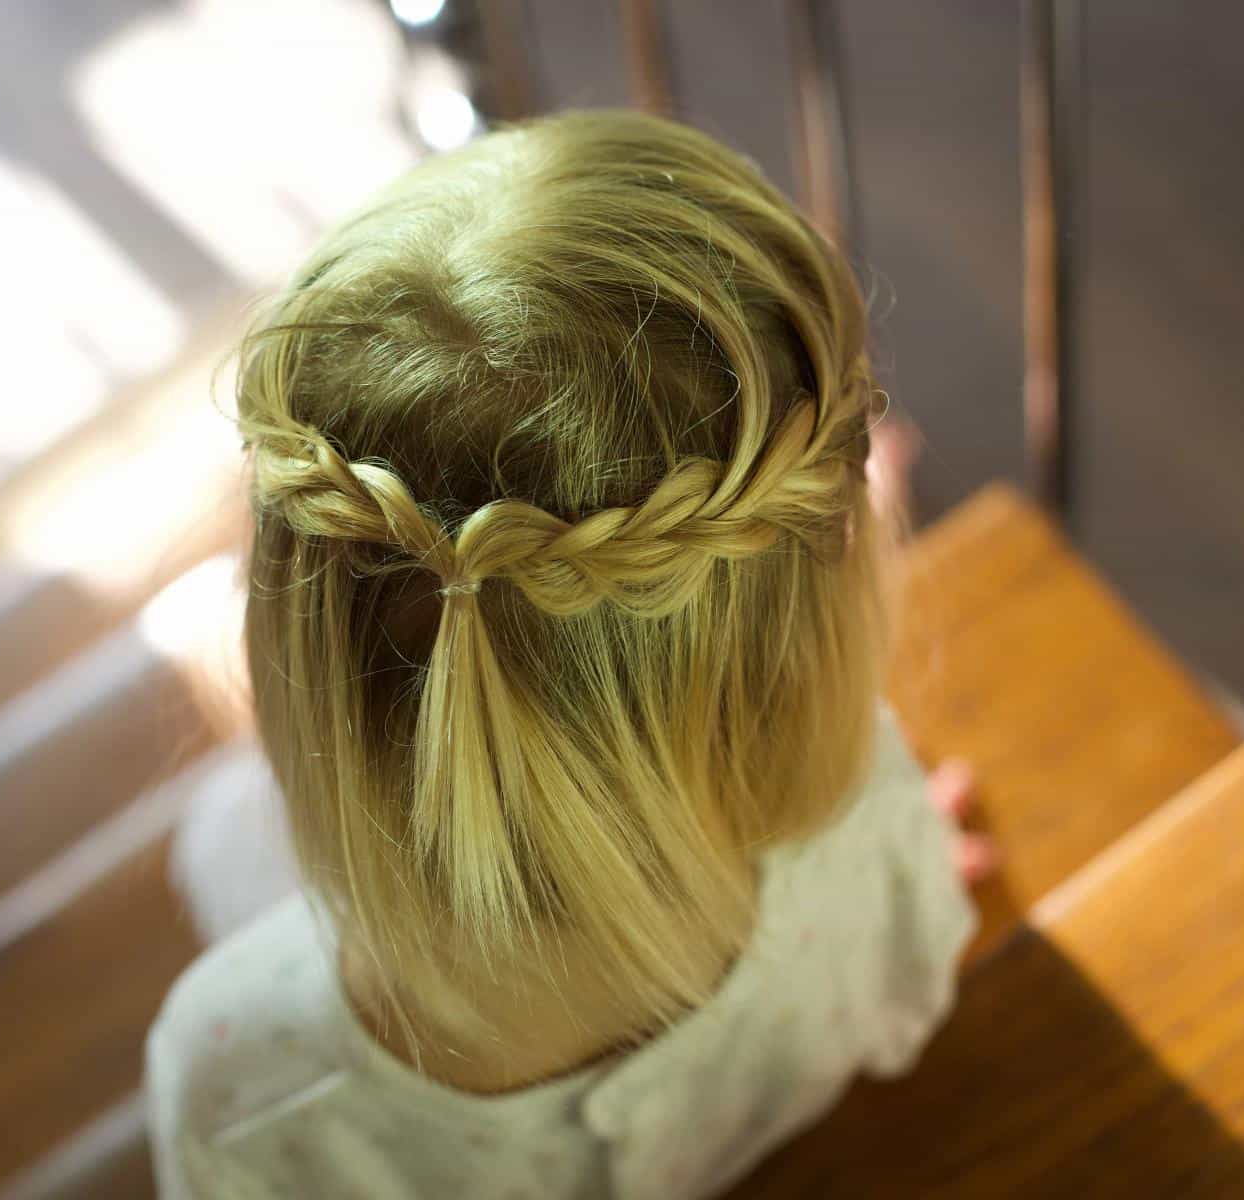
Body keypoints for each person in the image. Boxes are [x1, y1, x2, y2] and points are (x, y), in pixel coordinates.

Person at [147, 110, 992, 1200]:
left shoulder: (241, 1085)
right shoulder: (870, 810)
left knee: (215, 831)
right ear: (818, 612)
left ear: (296, 653)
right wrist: (887, 867)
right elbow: (903, 1009)